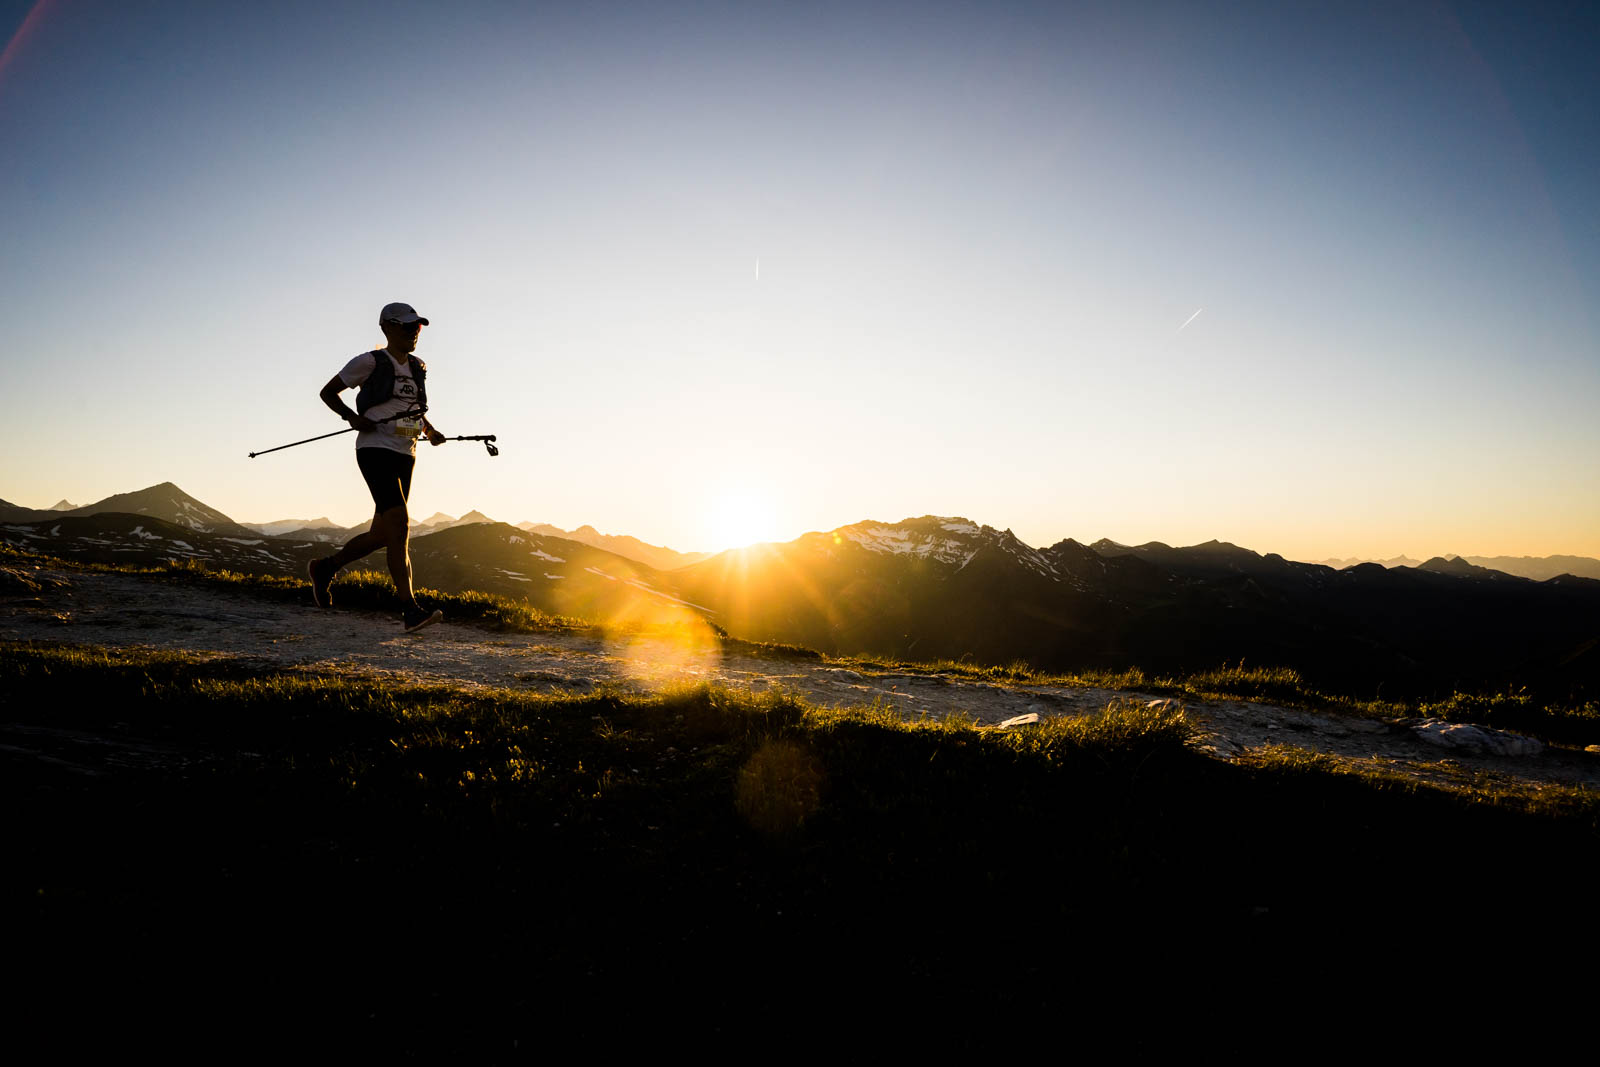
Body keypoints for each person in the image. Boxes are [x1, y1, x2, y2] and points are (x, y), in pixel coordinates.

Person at [307, 302, 447, 633]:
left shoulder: (418, 365)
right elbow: (328, 393)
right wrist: (352, 418)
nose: (414, 331)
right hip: (374, 449)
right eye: (407, 326)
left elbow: (412, 407)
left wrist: (429, 430)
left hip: (406, 453)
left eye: (418, 327)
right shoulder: (368, 362)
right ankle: (410, 610)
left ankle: (325, 568)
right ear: (387, 328)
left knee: (383, 534)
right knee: (399, 524)